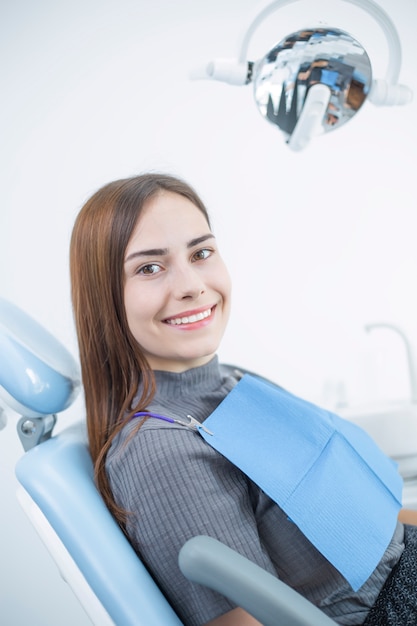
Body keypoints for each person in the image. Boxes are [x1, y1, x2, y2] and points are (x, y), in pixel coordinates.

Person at [70, 173, 417, 626]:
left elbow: (374, 520)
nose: (192, 284)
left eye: (201, 253)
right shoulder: (161, 452)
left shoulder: (233, 382)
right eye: (149, 268)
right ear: (105, 298)